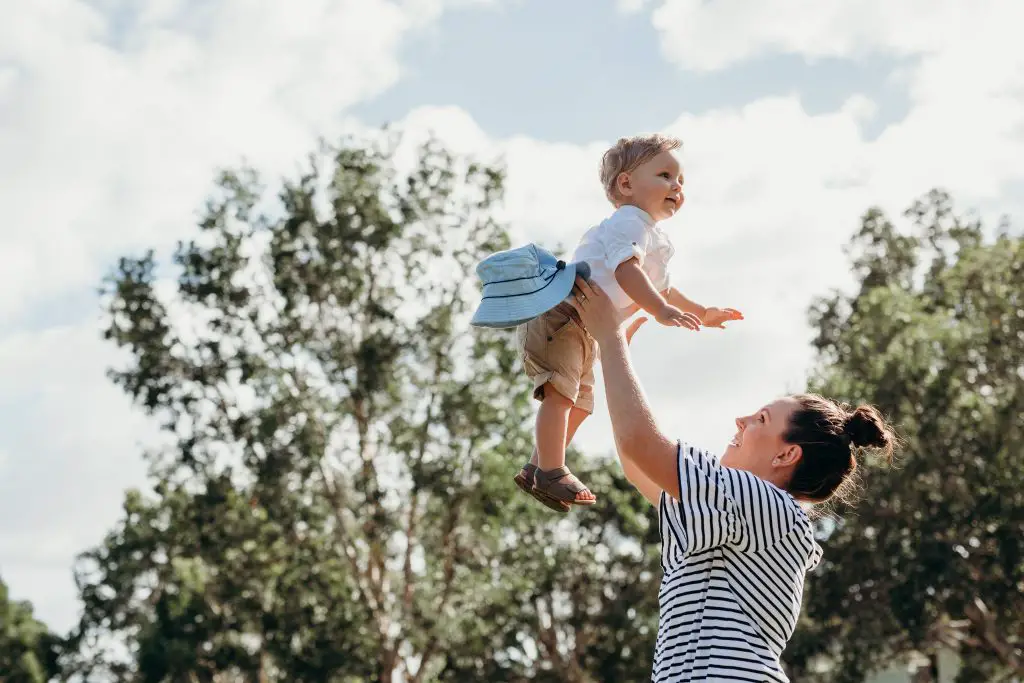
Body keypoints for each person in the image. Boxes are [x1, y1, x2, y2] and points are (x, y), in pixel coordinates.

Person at [568, 275, 897, 682]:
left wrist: (611, 337)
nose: (740, 420)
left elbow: (641, 445)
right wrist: (613, 353)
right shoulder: (744, 511)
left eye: (761, 419)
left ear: (786, 454)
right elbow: (638, 467)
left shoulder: (765, 503)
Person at [511, 133, 743, 512]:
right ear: (626, 183)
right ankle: (551, 469)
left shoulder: (653, 236)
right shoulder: (628, 222)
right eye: (666, 175)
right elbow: (626, 273)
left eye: (681, 181)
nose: (677, 186)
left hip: (585, 326)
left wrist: (703, 312)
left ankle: (538, 466)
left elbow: (663, 290)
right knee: (561, 395)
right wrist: (658, 310)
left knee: (582, 404)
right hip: (562, 314)